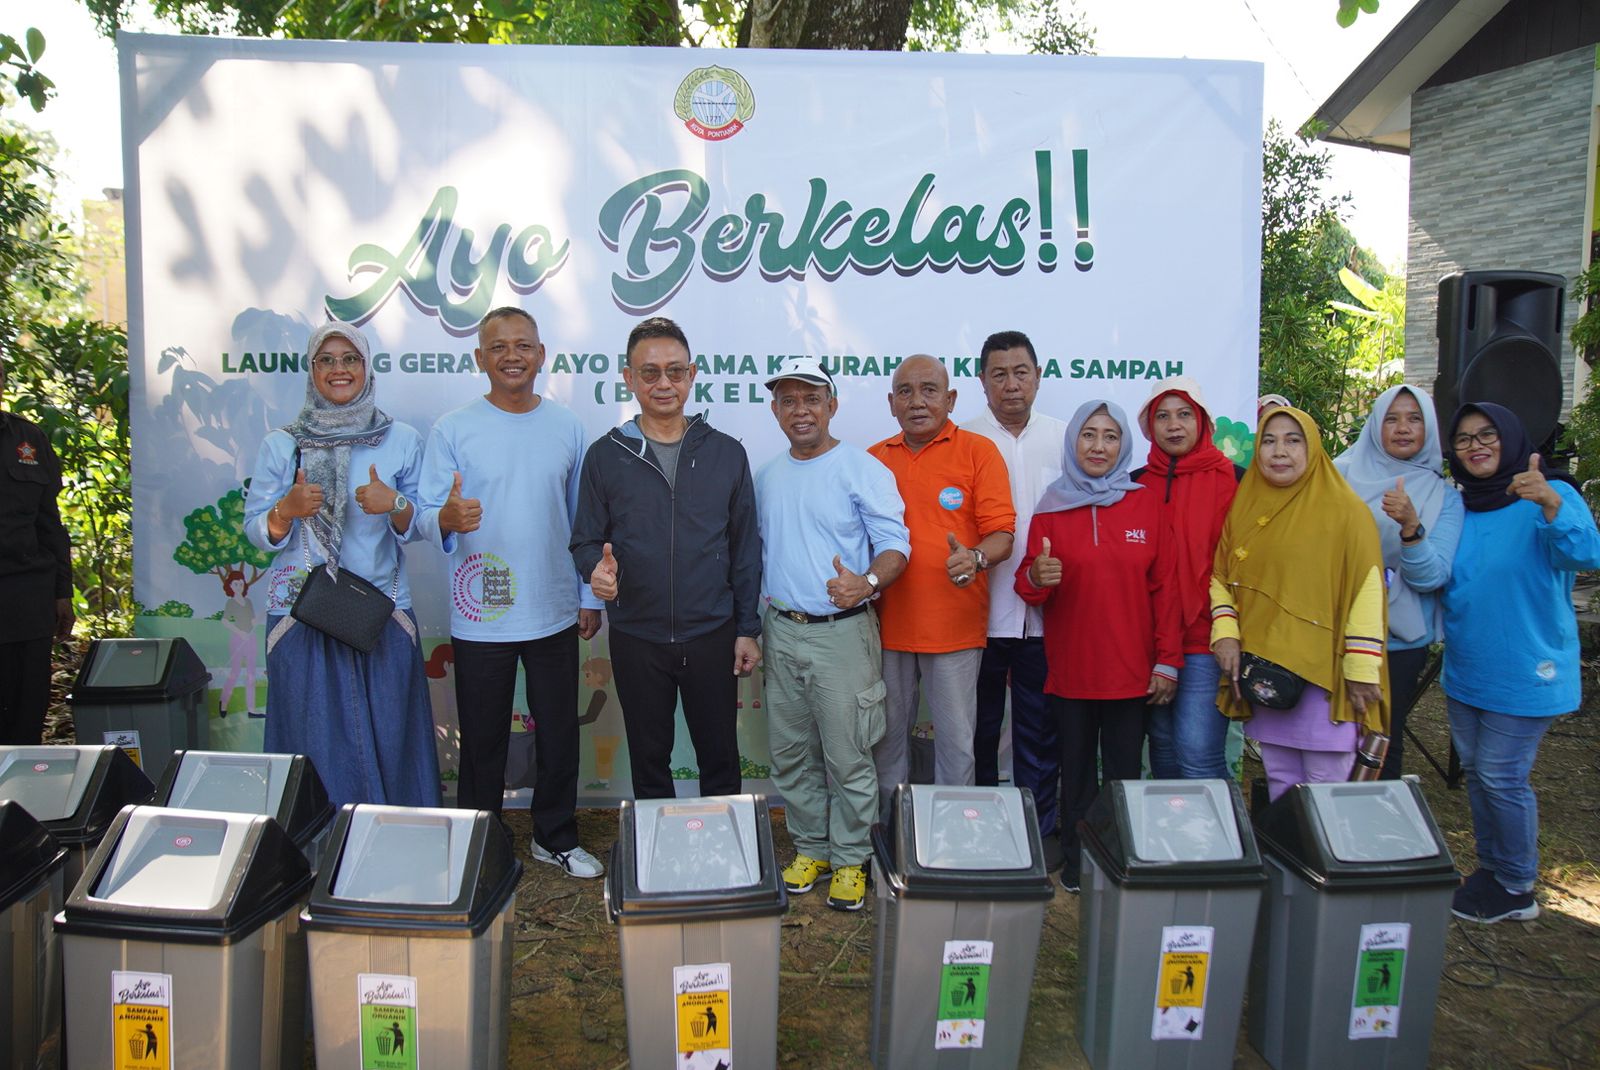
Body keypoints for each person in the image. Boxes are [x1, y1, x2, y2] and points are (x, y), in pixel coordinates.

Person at [418, 306, 605, 878]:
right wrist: (446, 517)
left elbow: (584, 521)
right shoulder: (453, 429)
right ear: (480, 358)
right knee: (483, 735)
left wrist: (589, 596)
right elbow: (426, 514)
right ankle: (480, 842)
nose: (512, 356)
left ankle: (555, 836)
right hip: (484, 607)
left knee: (558, 730)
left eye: (523, 345)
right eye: (498, 347)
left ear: (541, 354)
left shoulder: (568, 426)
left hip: (552, 604)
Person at [246, 320, 440, 808]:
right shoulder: (282, 444)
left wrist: (392, 502)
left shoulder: (400, 439)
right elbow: (255, 533)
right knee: (309, 738)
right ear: (311, 371)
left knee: (394, 736)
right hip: (301, 614)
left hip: (381, 611)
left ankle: (395, 843)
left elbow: (419, 525)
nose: (338, 369)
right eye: (326, 360)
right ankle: (315, 851)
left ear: (366, 366)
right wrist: (284, 511)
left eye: (349, 358)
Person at [570, 317, 762, 800]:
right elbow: (585, 540)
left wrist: (746, 628)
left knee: (719, 756)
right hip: (638, 634)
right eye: (650, 372)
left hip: (712, 633)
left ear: (692, 375)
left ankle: (730, 858)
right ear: (628, 379)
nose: (663, 383)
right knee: (649, 758)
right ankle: (660, 863)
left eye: (675, 371)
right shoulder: (605, 455)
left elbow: (744, 550)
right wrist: (596, 570)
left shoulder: (725, 454)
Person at [756, 357, 910, 912]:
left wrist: (867, 583)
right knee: (791, 754)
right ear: (776, 411)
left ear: (832, 406)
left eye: (812, 399)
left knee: (848, 756)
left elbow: (897, 546)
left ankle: (850, 859)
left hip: (842, 635)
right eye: (789, 400)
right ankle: (811, 847)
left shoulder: (861, 468)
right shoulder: (768, 475)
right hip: (783, 630)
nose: (801, 410)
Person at [1441, 402, 1600, 924]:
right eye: (1464, 439)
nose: (1476, 445)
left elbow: (1586, 554)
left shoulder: (1546, 493)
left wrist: (1552, 502)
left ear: (1510, 439)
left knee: (1500, 775)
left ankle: (1516, 884)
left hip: (1529, 669)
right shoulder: (1460, 506)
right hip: (1469, 668)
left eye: (1487, 434)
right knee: (1480, 775)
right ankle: (1492, 869)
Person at [1013, 400, 1181, 892]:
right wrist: (1037, 577)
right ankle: (1078, 862)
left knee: (1125, 775)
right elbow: (1028, 585)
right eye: (1089, 435)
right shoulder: (1050, 506)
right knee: (1077, 773)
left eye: (1110, 436)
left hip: (1132, 672)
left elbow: (1166, 589)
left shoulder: (1146, 503)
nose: (1099, 446)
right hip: (1072, 671)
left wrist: (1168, 661)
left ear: (1124, 444)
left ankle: (1120, 861)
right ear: (1073, 443)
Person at [1209, 406, 1386, 802]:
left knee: (1328, 787)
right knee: (1281, 781)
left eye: (1293, 440)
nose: (1279, 451)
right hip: (1268, 672)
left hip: (1325, 675)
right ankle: (1290, 864)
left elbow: (1367, 590)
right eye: (1269, 441)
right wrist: (1226, 634)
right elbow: (1221, 576)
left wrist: (1360, 668)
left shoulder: (1346, 512)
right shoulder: (1247, 508)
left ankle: (1331, 865)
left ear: (1313, 449)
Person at [868, 355, 1015, 819]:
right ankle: (892, 840)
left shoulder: (978, 451)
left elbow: (1003, 536)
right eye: (906, 391)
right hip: (885, 629)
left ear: (950, 399)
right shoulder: (873, 459)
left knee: (957, 748)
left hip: (954, 629)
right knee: (887, 746)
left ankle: (955, 843)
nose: (918, 401)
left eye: (929, 390)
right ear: (891, 403)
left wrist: (973, 557)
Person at [964, 331, 1067, 859]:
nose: (1011, 384)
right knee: (978, 729)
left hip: (1047, 617)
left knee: (1038, 730)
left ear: (1038, 375)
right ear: (981, 381)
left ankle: (1039, 831)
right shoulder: (963, 440)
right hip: (978, 615)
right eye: (998, 374)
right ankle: (978, 829)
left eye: (1020, 372)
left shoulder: (1065, 439)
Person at [1334, 384, 1462, 778]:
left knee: (1382, 740)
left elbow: (1431, 578)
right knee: (1330, 737)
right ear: (1375, 425)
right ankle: (1325, 831)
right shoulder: (1337, 477)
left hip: (1397, 640)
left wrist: (1410, 526)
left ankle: (1382, 831)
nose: (1403, 428)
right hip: (1332, 629)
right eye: (1391, 418)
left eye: (1414, 418)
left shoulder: (1443, 496)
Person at [1134, 377, 1242, 780]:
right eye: (1162, 416)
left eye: (1183, 415)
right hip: (1150, 642)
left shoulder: (1235, 480)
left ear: (1201, 421)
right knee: (1161, 750)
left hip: (1206, 641)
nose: (1173, 425)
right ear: (1149, 426)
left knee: (1198, 754)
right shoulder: (1135, 484)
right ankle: (1171, 842)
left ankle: (1222, 844)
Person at [0, 351, 73, 745]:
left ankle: (20, 803)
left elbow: (50, 524)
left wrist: (63, 591)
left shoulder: (29, 440)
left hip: (28, 601)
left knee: (27, 718)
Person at [218, 571, 259, 718]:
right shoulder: (231, 602)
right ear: (230, 585)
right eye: (236, 583)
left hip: (251, 639)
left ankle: (252, 709)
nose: (239, 586)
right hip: (238, 639)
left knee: (251, 675)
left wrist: (260, 618)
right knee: (234, 673)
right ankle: (223, 703)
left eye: (241, 583)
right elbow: (225, 621)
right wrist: (240, 633)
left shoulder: (248, 602)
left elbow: (253, 621)